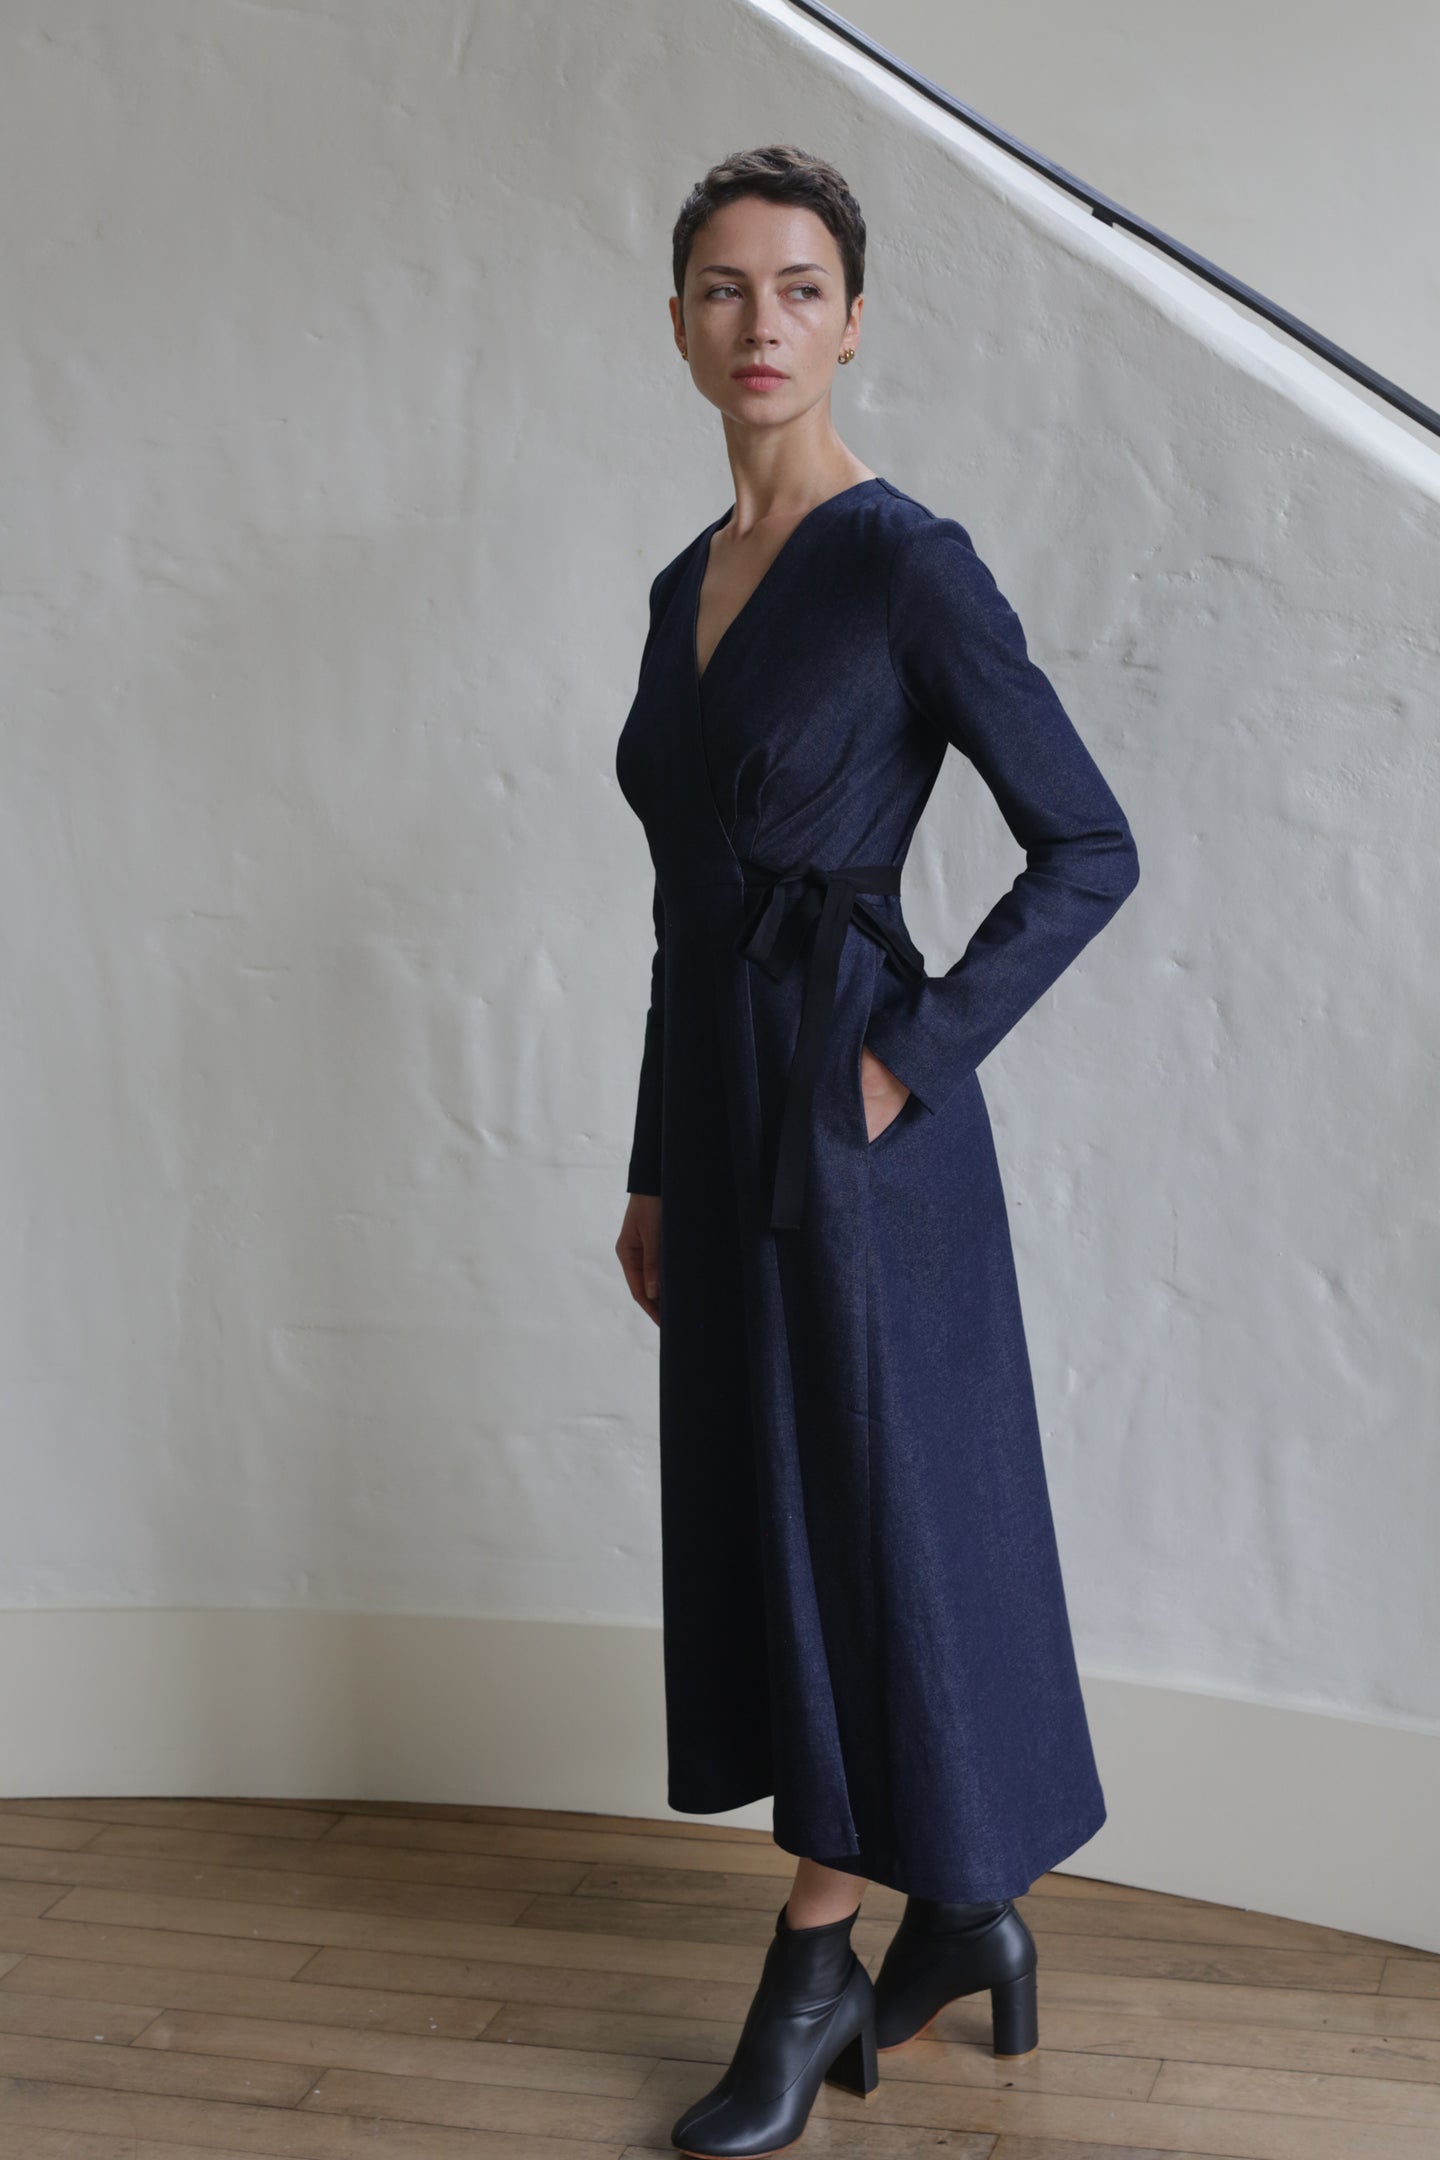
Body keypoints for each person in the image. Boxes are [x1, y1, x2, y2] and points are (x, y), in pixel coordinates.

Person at [612, 144, 1141, 2160]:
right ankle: (967, 1916)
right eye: (725, 289)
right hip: (728, 1119)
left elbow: (1087, 840)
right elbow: (683, 909)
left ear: (854, 318)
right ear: (677, 323)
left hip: (851, 1127)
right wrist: (659, 1160)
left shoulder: (907, 560)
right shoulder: (685, 588)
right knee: (791, 1524)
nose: (762, 326)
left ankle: (821, 1957)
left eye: (801, 287)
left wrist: (905, 1056)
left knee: (854, 1534)